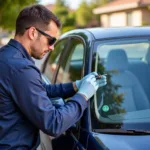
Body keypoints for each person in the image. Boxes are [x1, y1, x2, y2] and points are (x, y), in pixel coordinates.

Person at [0, 4, 107, 150]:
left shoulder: (7, 56)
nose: (52, 47)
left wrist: (75, 86)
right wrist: (83, 96)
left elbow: (41, 90)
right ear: (32, 32)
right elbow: (53, 123)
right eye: (51, 40)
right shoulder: (21, 68)